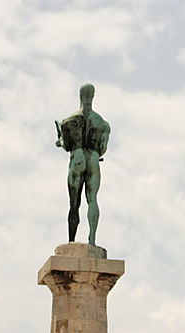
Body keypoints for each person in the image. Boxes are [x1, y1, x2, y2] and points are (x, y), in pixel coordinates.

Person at [55, 84, 110, 246]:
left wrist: (60, 142)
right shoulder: (103, 124)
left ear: (80, 96)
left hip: (77, 158)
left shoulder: (68, 122)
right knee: (92, 200)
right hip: (93, 159)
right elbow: (102, 149)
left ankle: (71, 241)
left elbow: (67, 146)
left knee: (74, 203)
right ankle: (92, 240)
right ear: (93, 96)